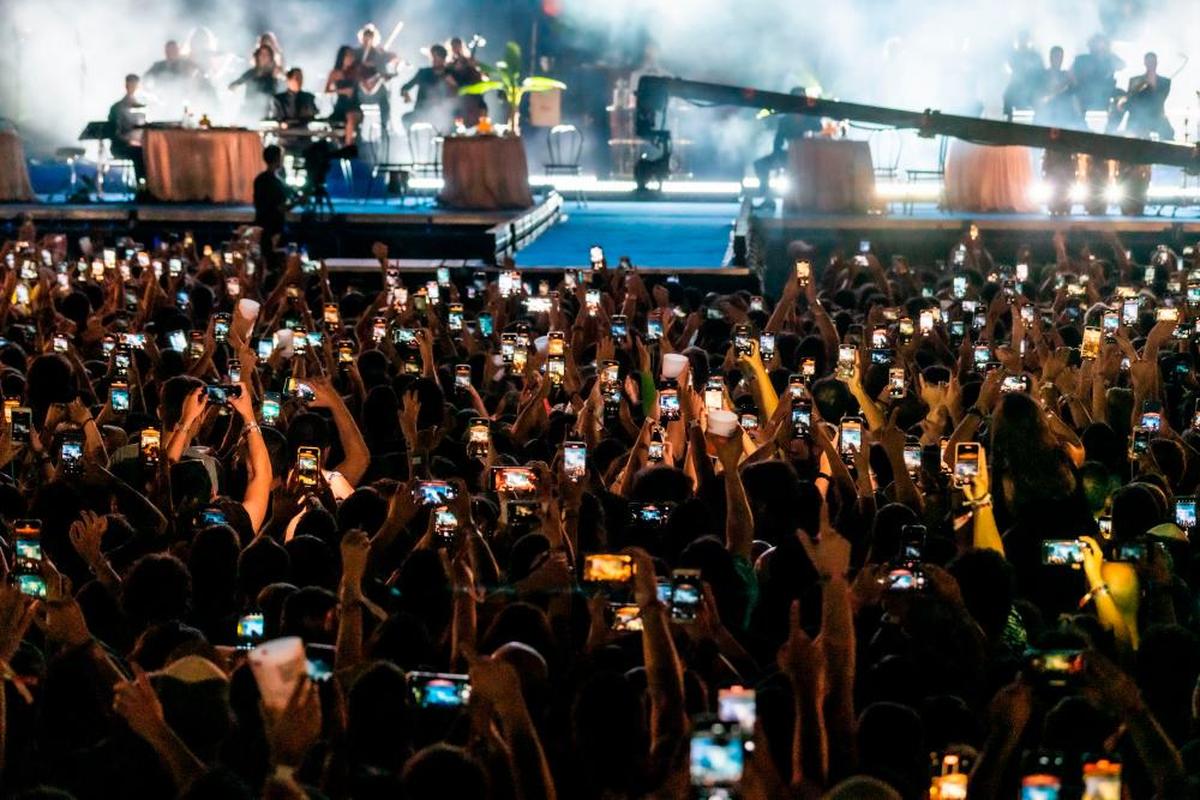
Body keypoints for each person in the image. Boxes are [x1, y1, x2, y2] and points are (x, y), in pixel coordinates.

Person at [752, 87, 823, 201]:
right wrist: (777, 158)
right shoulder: (785, 121)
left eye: (801, 98)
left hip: (808, 157)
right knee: (760, 165)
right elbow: (778, 141)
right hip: (791, 155)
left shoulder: (811, 119)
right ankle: (765, 192)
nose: (798, 101)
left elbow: (819, 128)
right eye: (796, 98)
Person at [400, 44, 457, 132]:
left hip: (441, 113)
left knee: (453, 125)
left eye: (436, 56)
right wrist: (406, 94)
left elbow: (458, 93)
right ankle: (412, 141)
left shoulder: (450, 73)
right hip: (421, 112)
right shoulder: (423, 72)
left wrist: (453, 85)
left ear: (443, 58)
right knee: (406, 119)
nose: (433, 59)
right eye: (432, 56)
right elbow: (405, 87)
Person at [1118, 52, 1174, 140]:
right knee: (1133, 131)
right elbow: (1131, 98)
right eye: (1148, 61)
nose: (1151, 64)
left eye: (1153, 61)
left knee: (1169, 133)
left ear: (1156, 63)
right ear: (1145, 63)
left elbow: (1160, 99)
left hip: (1156, 116)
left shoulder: (1165, 81)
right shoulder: (1135, 80)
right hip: (1137, 116)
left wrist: (1153, 85)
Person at [107, 73, 146, 185]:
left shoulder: (141, 107)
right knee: (139, 153)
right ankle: (142, 185)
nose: (133, 87)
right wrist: (129, 141)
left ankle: (154, 186)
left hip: (138, 144)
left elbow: (142, 128)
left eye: (135, 85)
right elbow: (115, 133)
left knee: (151, 151)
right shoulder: (117, 108)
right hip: (120, 147)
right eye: (131, 84)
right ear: (126, 85)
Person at [1071, 34, 1124, 114]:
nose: (1098, 47)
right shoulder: (1082, 58)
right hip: (1086, 91)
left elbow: (1121, 65)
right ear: (1090, 45)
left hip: (1107, 92)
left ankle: (1112, 123)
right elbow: (1073, 74)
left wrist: (1108, 53)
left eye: (1101, 44)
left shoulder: (1109, 58)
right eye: (1096, 44)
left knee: (1122, 96)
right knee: (1072, 96)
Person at [253, 145, 290, 257]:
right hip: (273, 228)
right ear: (277, 158)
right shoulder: (274, 182)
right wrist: (299, 202)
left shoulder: (260, 179)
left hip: (262, 224)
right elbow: (279, 207)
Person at [229, 44, 282, 121]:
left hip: (266, 112)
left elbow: (276, 93)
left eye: (266, 55)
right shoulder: (251, 73)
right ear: (257, 56)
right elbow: (235, 84)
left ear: (270, 58)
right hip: (249, 110)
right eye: (261, 54)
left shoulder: (274, 74)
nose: (263, 57)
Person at [1034, 46, 1081, 128]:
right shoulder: (1043, 75)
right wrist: (1065, 82)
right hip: (1047, 113)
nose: (1058, 60)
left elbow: (1075, 91)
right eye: (1055, 56)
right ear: (1050, 58)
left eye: (1060, 57)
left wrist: (1073, 80)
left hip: (1065, 114)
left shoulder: (1065, 74)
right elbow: (1044, 94)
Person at [325, 45, 363, 145]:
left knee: (351, 117)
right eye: (348, 55)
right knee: (336, 120)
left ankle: (348, 145)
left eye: (352, 55)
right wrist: (342, 91)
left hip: (354, 105)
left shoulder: (356, 71)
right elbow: (327, 90)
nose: (351, 58)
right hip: (341, 106)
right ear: (342, 57)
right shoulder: (334, 73)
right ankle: (341, 144)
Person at [1002, 31, 1044, 120]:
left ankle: (1038, 124)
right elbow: (1011, 66)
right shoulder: (1014, 54)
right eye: (1021, 39)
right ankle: (1008, 123)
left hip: (1032, 87)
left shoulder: (1034, 55)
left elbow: (1040, 72)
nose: (1023, 41)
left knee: (1038, 99)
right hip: (1016, 87)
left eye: (1024, 39)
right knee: (1007, 96)